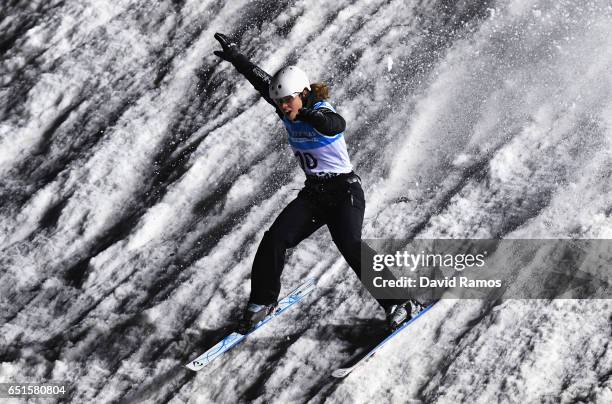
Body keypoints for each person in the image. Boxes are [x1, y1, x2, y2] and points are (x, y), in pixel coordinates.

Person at [213, 33, 410, 332]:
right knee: (274, 240)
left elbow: (336, 124)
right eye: (279, 103)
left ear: (304, 94)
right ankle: (262, 302)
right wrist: (238, 58)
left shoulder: (320, 113)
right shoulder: (288, 107)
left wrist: (304, 113)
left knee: (349, 244)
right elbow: (262, 82)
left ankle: (400, 302)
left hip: (345, 192)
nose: (283, 107)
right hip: (315, 195)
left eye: (288, 101)